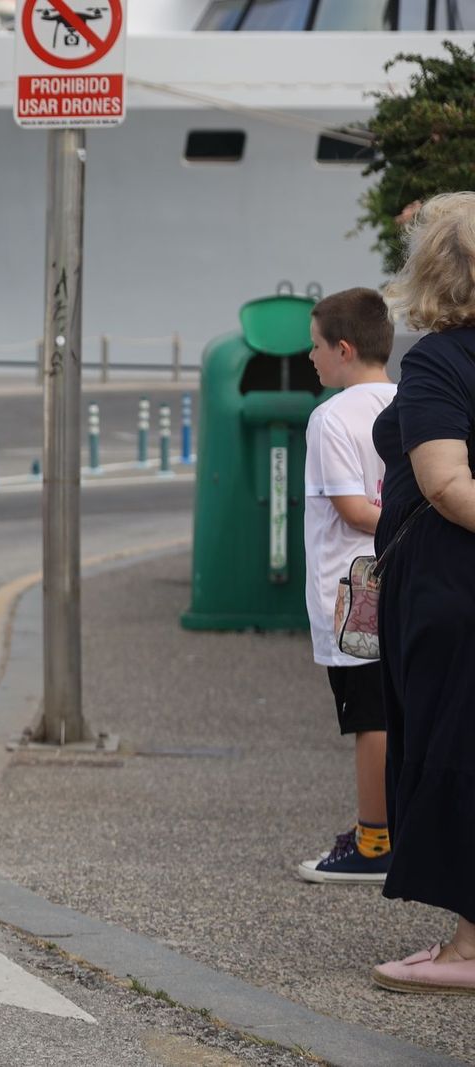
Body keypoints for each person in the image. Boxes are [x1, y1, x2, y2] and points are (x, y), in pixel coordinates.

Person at [369, 191, 475, 994]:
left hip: (454, 590)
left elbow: (446, 484)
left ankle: (470, 947)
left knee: (455, 754)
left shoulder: (442, 360)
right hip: (444, 588)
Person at [295, 288, 396, 884]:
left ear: (343, 348)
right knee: (399, 706)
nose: (310, 358)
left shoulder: (332, 416)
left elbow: (354, 510)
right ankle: (393, 829)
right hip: (410, 578)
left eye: (314, 347)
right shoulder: (411, 400)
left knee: (370, 716)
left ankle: (374, 842)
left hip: (355, 589)